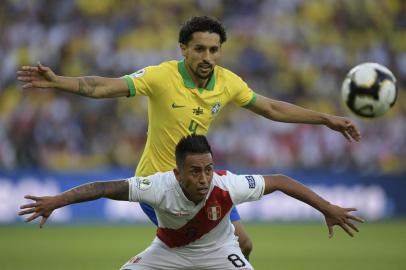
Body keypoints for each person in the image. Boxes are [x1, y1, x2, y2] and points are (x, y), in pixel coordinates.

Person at [16, 16, 361, 258]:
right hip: (159, 185)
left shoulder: (228, 82)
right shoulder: (160, 76)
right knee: (199, 252)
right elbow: (106, 86)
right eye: (199, 49)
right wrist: (59, 81)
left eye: (214, 50)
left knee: (243, 245)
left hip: (199, 181)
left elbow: (271, 108)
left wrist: (326, 119)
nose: (207, 57)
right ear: (183, 48)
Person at [19, 135, 364, 270]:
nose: (203, 179)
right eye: (195, 172)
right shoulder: (158, 186)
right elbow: (103, 187)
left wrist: (328, 209)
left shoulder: (227, 185)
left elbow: (281, 181)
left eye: (208, 169)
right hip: (167, 253)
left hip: (220, 252)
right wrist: (55, 201)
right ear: (178, 172)